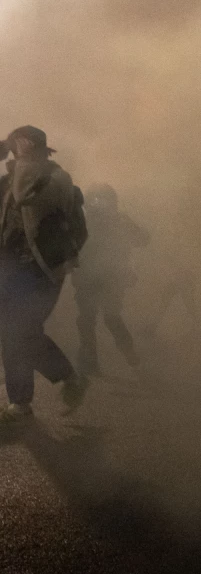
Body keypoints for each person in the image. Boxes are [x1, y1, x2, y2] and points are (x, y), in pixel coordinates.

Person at [0, 126, 89, 425]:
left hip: (40, 270)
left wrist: (23, 159)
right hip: (10, 270)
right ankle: (22, 402)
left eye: (17, 145)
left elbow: (26, 195)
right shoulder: (9, 180)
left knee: (20, 331)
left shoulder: (55, 179)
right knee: (12, 334)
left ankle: (60, 380)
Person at [73, 183, 150, 376]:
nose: (100, 204)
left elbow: (142, 240)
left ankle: (132, 361)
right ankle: (93, 363)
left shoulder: (117, 221)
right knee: (90, 320)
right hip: (88, 278)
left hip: (109, 278)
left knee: (108, 318)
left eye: (103, 200)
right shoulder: (84, 221)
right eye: (96, 200)